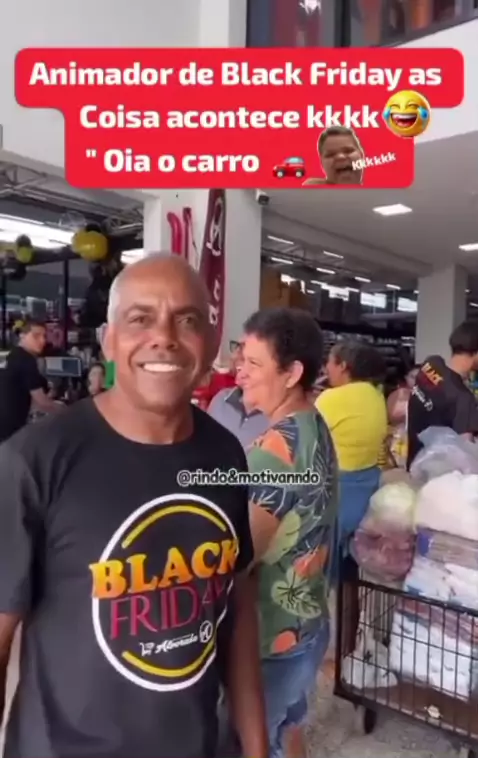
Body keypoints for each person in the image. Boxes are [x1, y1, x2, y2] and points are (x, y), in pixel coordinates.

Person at [0, 254, 268, 758]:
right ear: (109, 340)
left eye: (187, 320)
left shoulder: (225, 454)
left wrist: (257, 748)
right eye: (140, 318)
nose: (163, 337)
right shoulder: (33, 461)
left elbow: (237, 605)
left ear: (212, 344)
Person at [237, 307, 337, 758]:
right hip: (308, 622)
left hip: (272, 639)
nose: (240, 373)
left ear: (292, 373)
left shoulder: (272, 451)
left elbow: (241, 556)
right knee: (287, 729)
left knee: (255, 740)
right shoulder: (313, 425)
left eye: (253, 363)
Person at [316, 341, 387, 543]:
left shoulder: (332, 398)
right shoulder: (376, 395)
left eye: (330, 362)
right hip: (368, 486)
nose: (326, 368)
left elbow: (305, 439)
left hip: (337, 489)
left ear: (343, 366)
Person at [407, 320, 478, 469]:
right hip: (439, 473)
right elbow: (467, 453)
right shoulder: (463, 397)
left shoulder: (431, 364)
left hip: (415, 462)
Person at [0, 318, 61, 442]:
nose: (42, 340)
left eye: (44, 336)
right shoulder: (26, 360)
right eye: (36, 336)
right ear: (22, 336)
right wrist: (67, 411)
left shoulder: (10, 354)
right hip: (10, 428)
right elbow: (42, 402)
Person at [208, 340, 269, 448]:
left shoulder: (282, 420)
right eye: (238, 347)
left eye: (252, 361)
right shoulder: (221, 400)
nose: (235, 356)